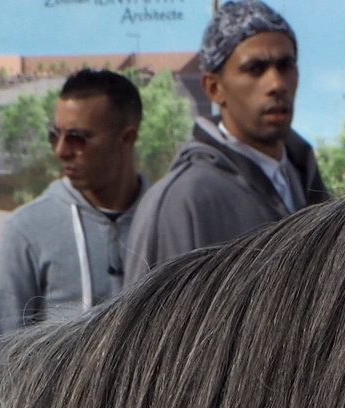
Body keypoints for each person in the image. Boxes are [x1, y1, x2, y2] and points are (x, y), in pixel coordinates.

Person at [124, 1, 328, 285]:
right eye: (255, 69)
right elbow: (153, 327)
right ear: (213, 87)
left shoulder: (306, 182)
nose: (276, 84)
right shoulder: (182, 201)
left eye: (286, 65)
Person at [0, 68, 145, 337]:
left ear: (126, 139)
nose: (61, 150)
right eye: (55, 135)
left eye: (77, 138)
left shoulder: (165, 218)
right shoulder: (26, 229)